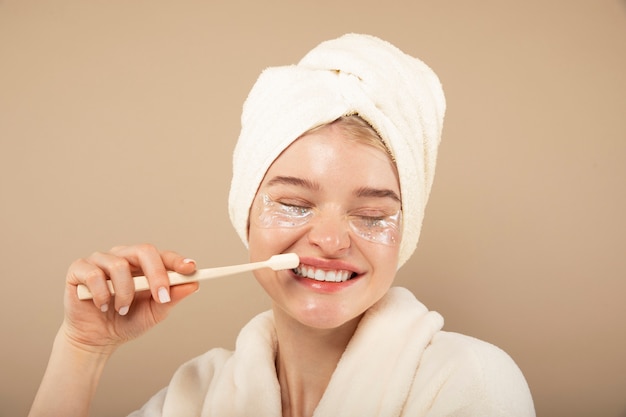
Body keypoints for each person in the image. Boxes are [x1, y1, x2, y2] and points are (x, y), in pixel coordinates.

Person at [29, 33, 535, 417]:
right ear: (244, 213)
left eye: (373, 215)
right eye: (294, 204)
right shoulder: (195, 396)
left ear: (406, 232)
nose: (331, 241)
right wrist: (83, 349)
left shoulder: (473, 384)